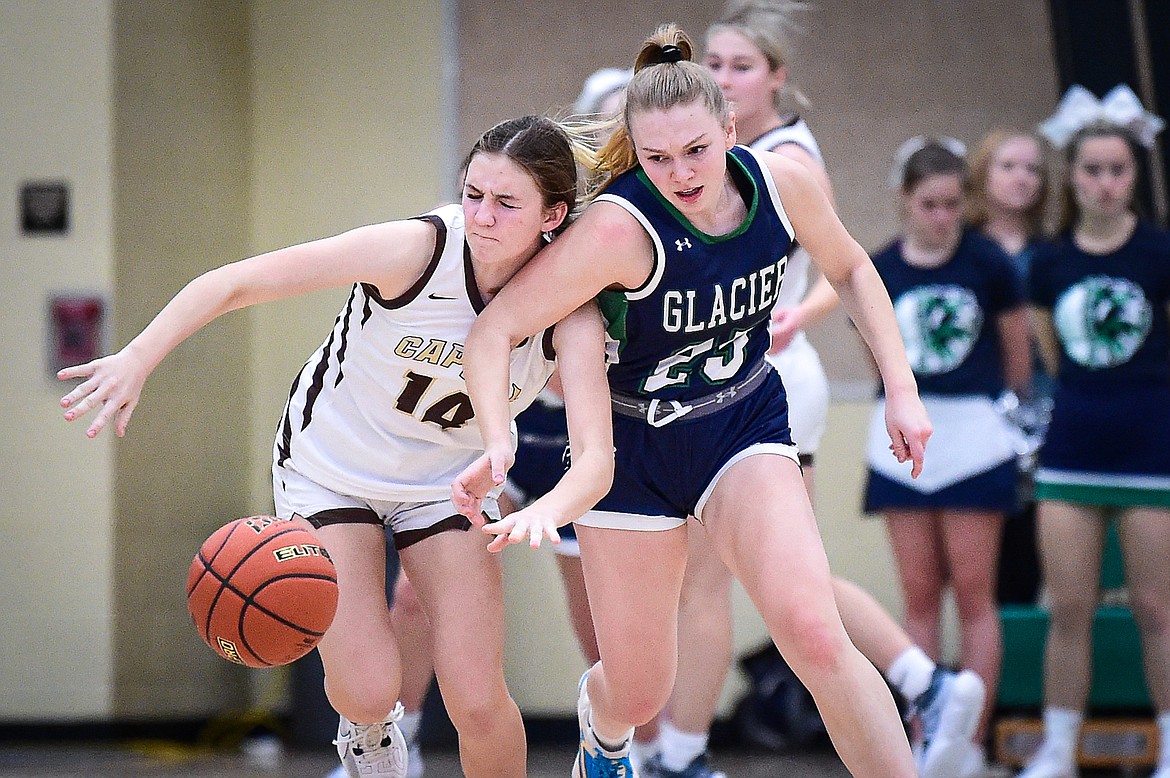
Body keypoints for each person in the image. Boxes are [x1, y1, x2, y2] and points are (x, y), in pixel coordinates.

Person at [57, 115, 615, 778]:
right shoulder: (416, 250)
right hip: (334, 469)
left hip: (448, 484)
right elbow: (239, 280)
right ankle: (368, 736)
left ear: (553, 214)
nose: (482, 216)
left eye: (505, 203)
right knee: (371, 685)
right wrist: (139, 356)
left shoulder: (570, 304)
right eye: (472, 194)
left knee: (477, 699)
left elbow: (596, 438)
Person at [455, 23, 933, 778]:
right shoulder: (619, 227)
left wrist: (902, 390)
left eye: (696, 150)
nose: (679, 172)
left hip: (741, 424)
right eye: (656, 157)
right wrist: (497, 441)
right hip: (632, 450)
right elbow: (495, 331)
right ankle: (603, 725)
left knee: (813, 633)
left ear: (732, 129)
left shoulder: (783, 183)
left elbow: (850, 268)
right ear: (636, 153)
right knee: (641, 689)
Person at [624, 5, 986, 777]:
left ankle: (682, 754)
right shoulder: (696, 158)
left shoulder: (783, 158)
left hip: (767, 377)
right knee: (787, 579)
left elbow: (841, 264)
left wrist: (805, 319)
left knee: (713, 584)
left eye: (740, 66)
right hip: (727, 378)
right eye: (714, 61)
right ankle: (924, 679)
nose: (723, 75)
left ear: (776, 78)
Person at [864, 137, 1034, 774]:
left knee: (975, 596)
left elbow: (1018, 355)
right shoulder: (879, 267)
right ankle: (924, 738)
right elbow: (879, 355)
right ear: (906, 200)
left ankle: (970, 743)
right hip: (901, 441)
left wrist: (1006, 421)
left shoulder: (990, 263)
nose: (941, 217)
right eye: (929, 204)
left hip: (974, 437)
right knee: (918, 597)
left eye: (952, 205)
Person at [1017, 86, 1170, 778]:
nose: (1106, 183)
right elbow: (1051, 352)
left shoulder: (1160, 252)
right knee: (1069, 607)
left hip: (1151, 449)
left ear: (1135, 175)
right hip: (1073, 447)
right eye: (1092, 170)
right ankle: (1057, 749)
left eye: (1119, 170)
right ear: (1072, 177)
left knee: (1156, 606)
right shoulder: (1048, 262)